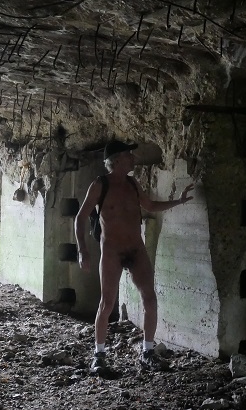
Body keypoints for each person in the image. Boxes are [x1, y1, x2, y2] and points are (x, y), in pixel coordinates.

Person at [75, 140, 194, 374]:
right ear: (117, 160)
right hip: (112, 251)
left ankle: (147, 353)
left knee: (150, 299)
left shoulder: (132, 183)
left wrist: (178, 201)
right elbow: (80, 218)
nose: (133, 158)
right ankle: (99, 356)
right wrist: (82, 250)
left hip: (136, 249)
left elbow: (150, 205)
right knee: (106, 304)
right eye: (129, 154)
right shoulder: (100, 185)